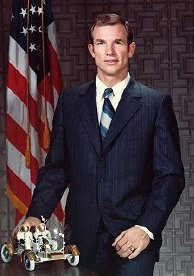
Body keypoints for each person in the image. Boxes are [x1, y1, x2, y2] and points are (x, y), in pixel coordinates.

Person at [14, 13, 185, 275]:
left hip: (132, 241)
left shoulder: (155, 104)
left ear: (131, 49)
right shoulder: (70, 102)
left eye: (118, 43)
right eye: (102, 43)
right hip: (80, 239)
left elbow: (170, 176)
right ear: (92, 50)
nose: (110, 51)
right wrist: (37, 214)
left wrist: (146, 228)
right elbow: (57, 168)